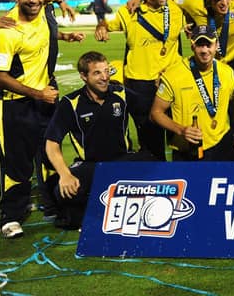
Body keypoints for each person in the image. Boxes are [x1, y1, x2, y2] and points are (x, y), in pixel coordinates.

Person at [44, 51, 155, 230]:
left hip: (122, 161)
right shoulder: (70, 103)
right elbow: (51, 143)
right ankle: (100, 212)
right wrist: (65, 174)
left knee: (154, 166)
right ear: (83, 76)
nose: (105, 77)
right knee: (63, 192)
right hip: (91, 166)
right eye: (97, 73)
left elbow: (152, 109)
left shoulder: (121, 94)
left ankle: (101, 209)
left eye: (107, 71)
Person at [0, 0, 59, 238]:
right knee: (16, 162)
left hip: (43, 99)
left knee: (48, 155)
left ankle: (53, 204)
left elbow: (49, 24)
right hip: (15, 104)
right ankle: (12, 215)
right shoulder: (7, 30)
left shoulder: (45, 11)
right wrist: (37, 93)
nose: (33, 0)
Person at [94, 0, 185, 161]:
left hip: (171, 82)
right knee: (151, 141)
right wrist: (101, 27)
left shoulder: (176, 9)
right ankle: (155, 182)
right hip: (141, 86)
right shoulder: (128, 12)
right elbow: (107, 24)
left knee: (180, 137)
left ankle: (183, 179)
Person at [150, 25, 234, 161]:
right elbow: (155, 113)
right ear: (192, 46)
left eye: (208, 44)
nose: (204, 50)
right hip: (186, 151)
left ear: (216, 46)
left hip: (221, 145)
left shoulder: (227, 72)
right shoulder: (173, 75)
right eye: (199, 45)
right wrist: (181, 130)